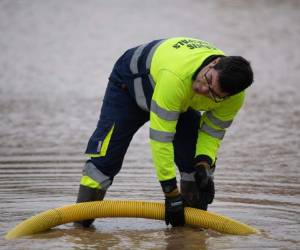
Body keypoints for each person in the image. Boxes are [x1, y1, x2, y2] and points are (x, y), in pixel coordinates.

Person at [75, 37, 254, 227]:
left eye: (214, 95)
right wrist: (170, 192)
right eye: (207, 80)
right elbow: (161, 138)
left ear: (229, 96)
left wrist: (204, 163)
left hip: (180, 98)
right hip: (130, 85)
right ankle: (80, 225)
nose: (202, 89)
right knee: (106, 160)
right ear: (214, 63)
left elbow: (212, 132)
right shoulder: (176, 77)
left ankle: (189, 233)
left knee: (195, 168)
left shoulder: (234, 98)